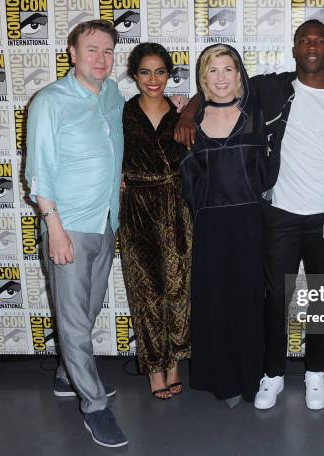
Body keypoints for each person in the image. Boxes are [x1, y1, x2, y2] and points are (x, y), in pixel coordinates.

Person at [175, 19, 324, 411]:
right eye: (304, 40)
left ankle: (315, 374)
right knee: (275, 298)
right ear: (294, 49)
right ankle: (273, 374)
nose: (312, 46)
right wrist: (188, 112)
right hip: (278, 215)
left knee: (322, 298)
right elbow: (216, 88)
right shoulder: (271, 89)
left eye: (320, 41)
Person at [25, 20, 128, 447]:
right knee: (73, 319)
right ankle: (95, 407)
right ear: (72, 52)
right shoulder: (50, 102)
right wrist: (55, 229)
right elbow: (38, 172)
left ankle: (67, 375)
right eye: (92, 50)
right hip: (67, 227)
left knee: (87, 309)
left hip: (106, 220)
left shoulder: (112, 95)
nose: (101, 59)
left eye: (107, 51)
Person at [180, 44, 270, 409]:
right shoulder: (190, 122)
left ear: (239, 74)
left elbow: (267, 168)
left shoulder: (255, 114)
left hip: (249, 219)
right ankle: (220, 378)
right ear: (203, 76)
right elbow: (189, 177)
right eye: (212, 70)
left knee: (248, 300)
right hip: (210, 222)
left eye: (227, 69)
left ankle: (250, 376)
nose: (220, 78)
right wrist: (187, 110)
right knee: (213, 298)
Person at [119, 42, 191, 400]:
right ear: (134, 75)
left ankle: (175, 363)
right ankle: (154, 369)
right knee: (146, 293)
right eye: (145, 72)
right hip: (137, 209)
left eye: (160, 72)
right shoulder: (121, 114)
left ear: (169, 75)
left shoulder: (184, 113)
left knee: (178, 290)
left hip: (177, 209)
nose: (153, 79)